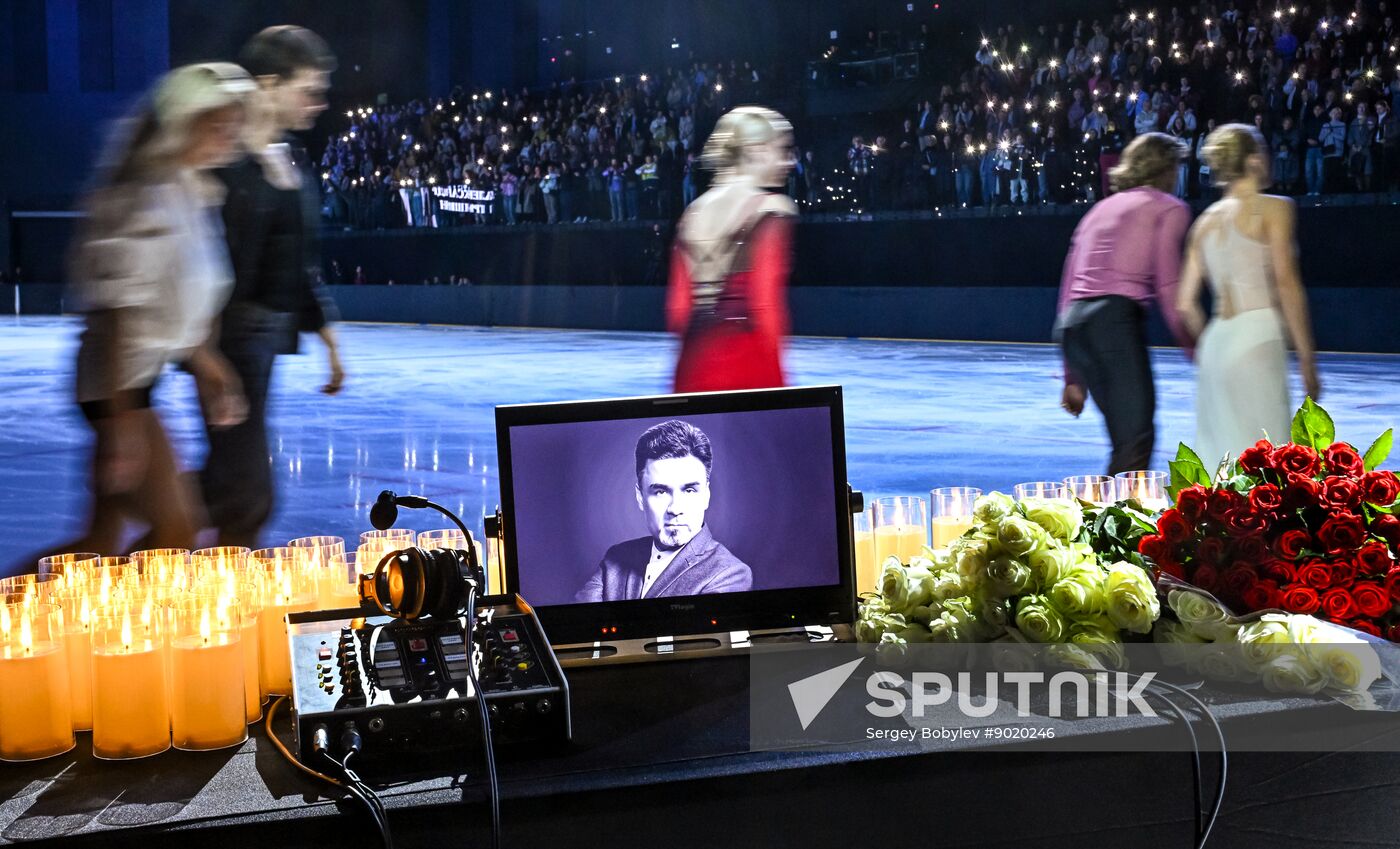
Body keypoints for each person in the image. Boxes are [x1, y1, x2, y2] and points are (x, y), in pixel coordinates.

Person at [55, 63, 253, 557]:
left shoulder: (190, 191)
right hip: (115, 384)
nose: (230, 134)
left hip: (136, 381)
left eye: (234, 122)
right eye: (217, 122)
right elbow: (121, 312)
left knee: (98, 543)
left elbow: (181, 308)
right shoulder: (146, 196)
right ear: (182, 121)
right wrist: (123, 425)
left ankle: (60, 620)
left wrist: (210, 369)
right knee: (178, 529)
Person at [200, 27, 343, 548]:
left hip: (263, 341)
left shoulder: (289, 159)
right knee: (244, 491)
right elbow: (209, 267)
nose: (319, 102)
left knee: (232, 486)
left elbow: (299, 261)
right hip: (229, 342)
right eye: (308, 88)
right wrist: (207, 359)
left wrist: (328, 339)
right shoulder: (227, 160)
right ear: (266, 83)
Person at [1177, 124, 1320, 467]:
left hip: (1216, 342)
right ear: (1254, 160)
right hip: (1258, 334)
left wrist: (1213, 350)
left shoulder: (1204, 222)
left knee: (1218, 465)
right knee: (1266, 461)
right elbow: (1286, 282)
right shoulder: (1274, 208)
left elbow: (1184, 304)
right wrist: (1306, 357)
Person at [1055, 133, 1194, 474]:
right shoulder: (1169, 207)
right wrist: (1196, 348)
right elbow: (1168, 283)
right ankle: (1102, 524)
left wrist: (1072, 377)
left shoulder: (1099, 210)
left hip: (1073, 326)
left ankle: (1107, 520)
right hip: (1113, 324)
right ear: (1167, 169)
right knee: (1135, 444)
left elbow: (1069, 285)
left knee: (1126, 444)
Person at [666, 106, 797, 393]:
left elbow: (678, 310)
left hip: (691, 368)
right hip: (747, 369)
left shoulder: (692, 214)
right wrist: (782, 392)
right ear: (756, 150)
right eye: (782, 150)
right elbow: (766, 308)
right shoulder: (771, 209)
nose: (789, 161)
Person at [574, 420, 751, 602]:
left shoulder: (731, 572)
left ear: (706, 495)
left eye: (689, 490)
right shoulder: (617, 557)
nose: (675, 508)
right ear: (640, 497)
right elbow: (581, 623)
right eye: (660, 491)